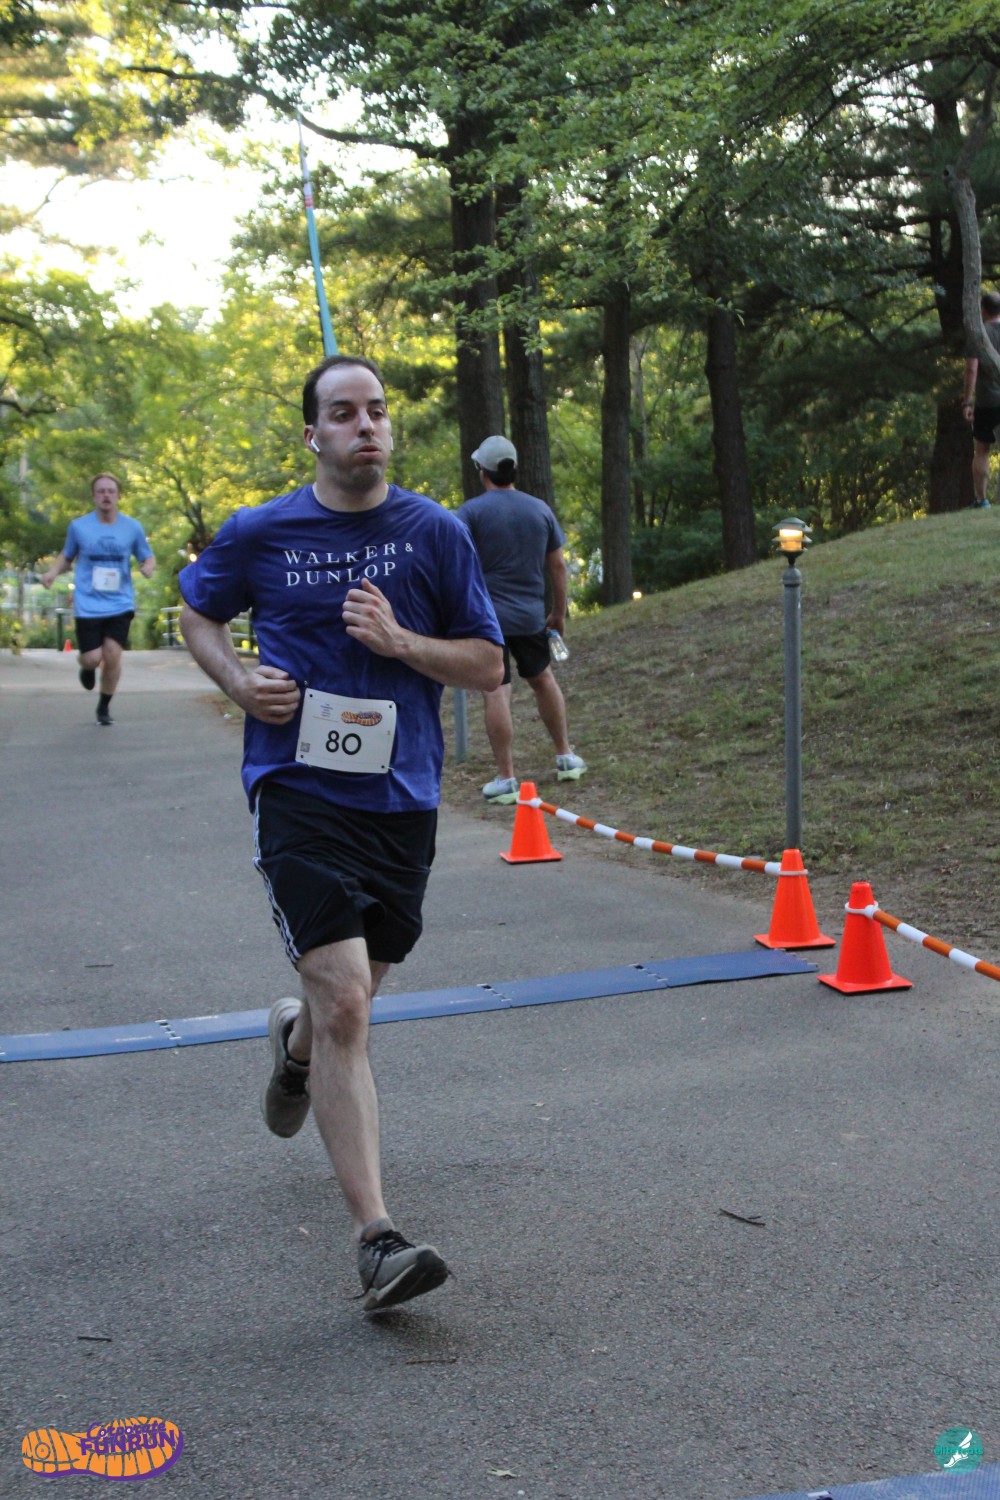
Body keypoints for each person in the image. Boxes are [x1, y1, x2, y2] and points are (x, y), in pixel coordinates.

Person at [178, 354, 503, 1312]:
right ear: (313, 434)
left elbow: (488, 664)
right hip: (298, 790)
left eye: (378, 411)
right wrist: (239, 682)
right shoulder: (262, 531)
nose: (366, 425)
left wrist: (400, 643)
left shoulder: (435, 533)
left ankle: (295, 1050)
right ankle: (377, 1239)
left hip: (401, 800)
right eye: (344, 413)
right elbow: (196, 612)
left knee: (345, 1005)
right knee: (349, 1003)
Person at [457, 435, 586, 805]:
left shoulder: (470, 513)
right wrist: (558, 613)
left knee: (496, 691)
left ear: (483, 471)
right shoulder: (539, 510)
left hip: (487, 621)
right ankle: (566, 757)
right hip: (530, 617)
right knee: (543, 680)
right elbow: (558, 566)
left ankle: (506, 779)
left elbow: (455, 564)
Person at [40, 473, 156, 725]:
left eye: (111, 491)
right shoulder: (79, 527)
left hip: (120, 602)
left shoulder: (132, 527)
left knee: (113, 654)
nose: (106, 496)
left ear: (118, 496)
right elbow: (67, 556)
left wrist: (148, 566)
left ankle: (104, 707)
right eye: (101, 491)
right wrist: (52, 572)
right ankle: (87, 666)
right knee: (93, 657)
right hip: (88, 603)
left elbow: (147, 555)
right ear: (93, 496)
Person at [961, 290, 1000, 509]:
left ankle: (982, 499)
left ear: (982, 310)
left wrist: (967, 401)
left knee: (982, 450)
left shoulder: (978, 335)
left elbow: (971, 370)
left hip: (987, 402)